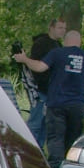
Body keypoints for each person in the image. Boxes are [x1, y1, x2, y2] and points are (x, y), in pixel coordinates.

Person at [15, 29, 84, 168]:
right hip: (77, 106)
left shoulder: (57, 53)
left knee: (56, 137)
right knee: (73, 136)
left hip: (57, 104)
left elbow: (40, 67)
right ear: (79, 42)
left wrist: (25, 59)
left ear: (66, 41)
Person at [17, 18, 65, 149]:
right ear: (52, 27)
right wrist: (42, 84)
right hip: (41, 89)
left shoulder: (58, 45)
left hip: (52, 91)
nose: (63, 31)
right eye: (60, 28)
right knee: (36, 123)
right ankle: (28, 150)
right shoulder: (41, 44)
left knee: (44, 124)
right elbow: (35, 67)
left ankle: (38, 151)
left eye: (64, 28)